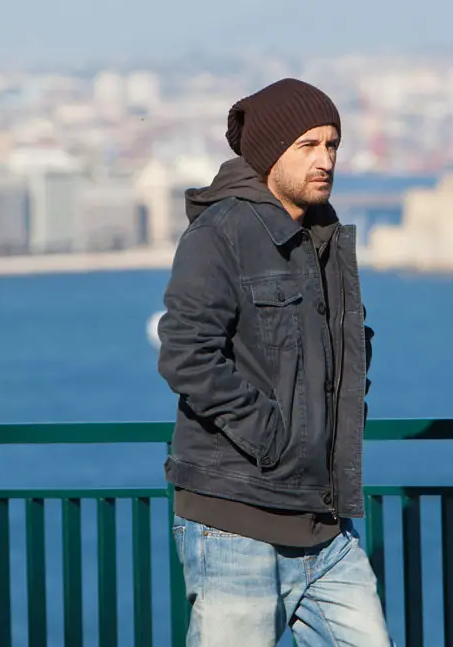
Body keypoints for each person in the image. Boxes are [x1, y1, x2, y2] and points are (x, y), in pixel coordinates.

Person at [156, 78, 390, 647]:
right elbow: (186, 355)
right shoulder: (220, 232)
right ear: (269, 153)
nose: (325, 160)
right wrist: (272, 439)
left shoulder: (322, 235)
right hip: (236, 524)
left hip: (325, 528)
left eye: (332, 145)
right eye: (308, 145)